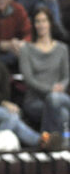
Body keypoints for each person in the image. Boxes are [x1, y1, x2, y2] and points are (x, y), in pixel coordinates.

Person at [20, 7, 70, 136]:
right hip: (35, 100)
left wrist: (61, 87)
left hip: (59, 97)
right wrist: (51, 90)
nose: (41, 24)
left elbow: (66, 76)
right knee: (61, 111)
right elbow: (29, 80)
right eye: (37, 21)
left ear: (50, 23)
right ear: (33, 24)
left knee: (55, 101)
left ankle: (50, 143)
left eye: (44, 20)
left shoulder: (62, 49)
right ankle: (64, 145)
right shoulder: (26, 49)